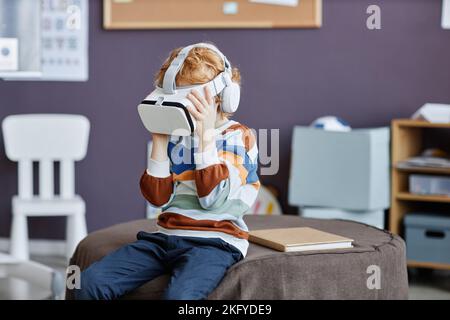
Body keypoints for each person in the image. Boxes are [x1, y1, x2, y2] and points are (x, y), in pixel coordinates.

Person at [75, 43, 260, 300]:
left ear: (225, 96)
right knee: (88, 283)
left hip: (215, 242)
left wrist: (204, 137)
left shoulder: (238, 137)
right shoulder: (176, 137)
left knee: (179, 298)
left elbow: (212, 199)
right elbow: (157, 198)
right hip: (166, 237)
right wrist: (160, 141)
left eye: (192, 97)